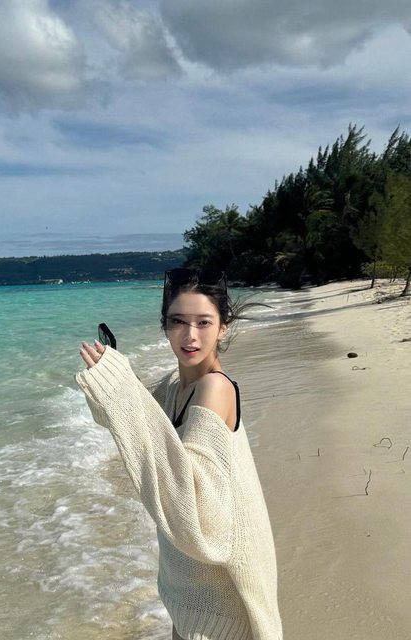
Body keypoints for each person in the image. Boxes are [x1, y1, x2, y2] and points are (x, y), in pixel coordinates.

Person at [76, 268, 282, 640]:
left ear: (223, 327)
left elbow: (193, 507)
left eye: (204, 322)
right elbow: (122, 420)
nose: (190, 336)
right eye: (178, 322)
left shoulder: (214, 389)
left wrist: (122, 390)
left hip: (221, 603)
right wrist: (111, 381)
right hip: (190, 596)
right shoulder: (174, 386)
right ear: (165, 326)